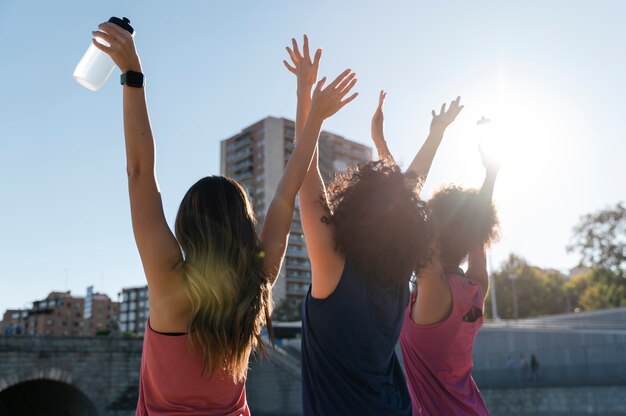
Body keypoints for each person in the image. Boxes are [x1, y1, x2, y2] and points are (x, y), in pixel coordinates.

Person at [91, 24, 357, 415]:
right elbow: (286, 193)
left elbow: (139, 172)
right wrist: (312, 112)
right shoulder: (254, 286)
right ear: (243, 226)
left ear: (185, 226)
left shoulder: (168, 281)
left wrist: (132, 73)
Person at [379, 96, 499, 415]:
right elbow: (476, 228)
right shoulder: (475, 289)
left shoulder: (434, 292)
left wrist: (437, 134)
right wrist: (490, 176)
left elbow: (407, 206)